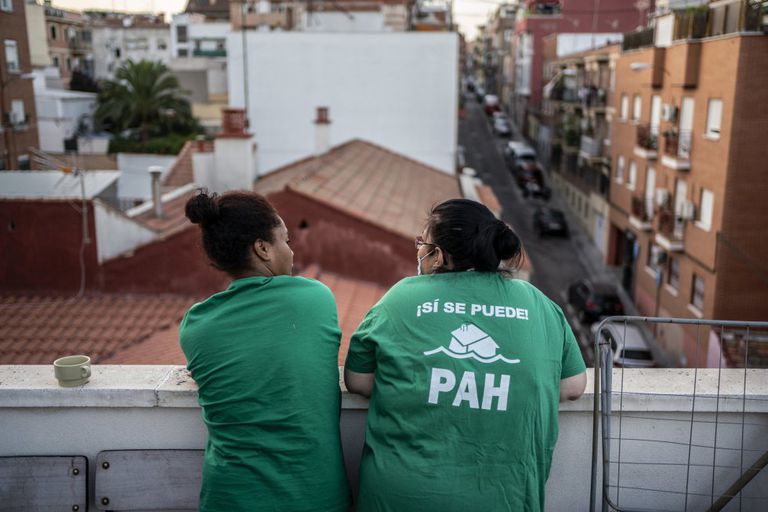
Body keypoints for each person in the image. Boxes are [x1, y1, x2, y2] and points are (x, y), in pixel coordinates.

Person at [345, 198, 587, 512]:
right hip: (503, 500)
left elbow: (358, 381)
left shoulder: (401, 297)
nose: (418, 251)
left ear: (439, 257)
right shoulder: (537, 302)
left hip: (398, 499)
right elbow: (573, 386)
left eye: (422, 243)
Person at [180, 190, 350, 512]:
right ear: (263, 249)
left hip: (230, 499)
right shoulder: (315, 299)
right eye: (286, 241)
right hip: (313, 499)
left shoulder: (196, 325)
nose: (291, 252)